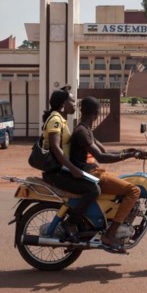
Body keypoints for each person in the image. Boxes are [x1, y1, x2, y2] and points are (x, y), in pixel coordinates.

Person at [70, 96, 142, 253]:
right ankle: (109, 235)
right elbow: (102, 157)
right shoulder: (82, 132)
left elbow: (105, 151)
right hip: (91, 174)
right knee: (134, 190)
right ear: (97, 113)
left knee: (124, 183)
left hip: (93, 172)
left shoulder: (86, 130)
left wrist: (129, 151)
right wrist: (128, 155)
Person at [40, 88, 99, 242]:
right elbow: (56, 147)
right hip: (57, 172)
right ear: (63, 103)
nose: (75, 104)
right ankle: (71, 223)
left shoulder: (61, 119)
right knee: (93, 190)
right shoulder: (55, 120)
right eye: (72, 101)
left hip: (62, 170)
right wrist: (73, 169)